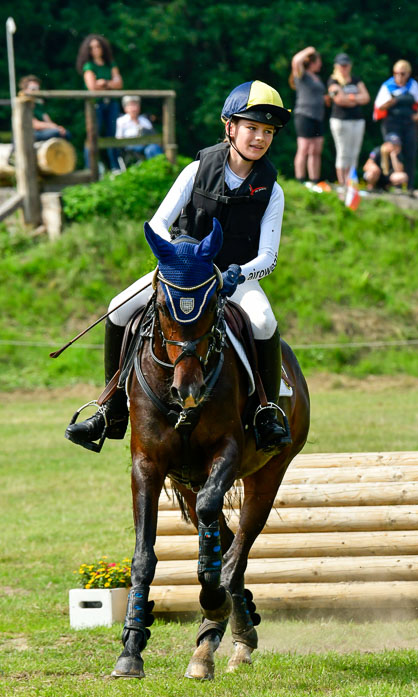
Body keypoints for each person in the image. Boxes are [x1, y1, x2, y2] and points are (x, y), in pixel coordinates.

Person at [65, 80, 292, 455]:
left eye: (267, 131)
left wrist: (238, 273)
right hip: (181, 271)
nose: (260, 138)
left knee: (265, 321)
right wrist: (175, 258)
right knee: (118, 308)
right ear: (229, 127)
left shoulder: (273, 189)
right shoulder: (196, 169)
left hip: (230, 277)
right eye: (251, 128)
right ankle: (110, 408)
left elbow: (268, 256)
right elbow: (157, 224)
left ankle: (265, 412)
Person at [373, 59, 418, 191]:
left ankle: (410, 185)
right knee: (393, 152)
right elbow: (379, 107)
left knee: (410, 153)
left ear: (408, 74)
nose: (399, 76)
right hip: (392, 124)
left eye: (403, 73)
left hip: (409, 124)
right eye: (397, 73)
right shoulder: (387, 86)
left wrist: (417, 116)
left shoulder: (413, 86)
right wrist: (394, 100)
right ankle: (392, 184)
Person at [76, 34, 123, 171]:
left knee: (112, 135)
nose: (95, 50)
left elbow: (119, 83)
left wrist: (104, 83)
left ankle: (115, 167)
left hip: (111, 102)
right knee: (93, 135)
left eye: (98, 46)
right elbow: (92, 86)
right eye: (92, 48)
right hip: (96, 104)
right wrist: (110, 84)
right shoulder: (89, 65)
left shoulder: (110, 63)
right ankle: (90, 167)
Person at [327, 52, 369, 189]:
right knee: (343, 152)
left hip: (357, 121)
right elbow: (339, 100)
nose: (344, 68)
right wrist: (356, 99)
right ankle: (342, 182)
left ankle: (351, 183)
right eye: (342, 65)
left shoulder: (356, 80)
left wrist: (349, 98)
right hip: (341, 120)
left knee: (354, 153)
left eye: (346, 65)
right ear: (337, 66)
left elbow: (366, 97)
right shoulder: (333, 81)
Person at [289, 46, 327, 187]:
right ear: (312, 62)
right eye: (318, 61)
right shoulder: (302, 75)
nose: (320, 64)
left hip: (318, 116)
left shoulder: (316, 78)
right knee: (304, 148)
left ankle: (314, 181)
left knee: (316, 149)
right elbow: (295, 60)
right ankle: (300, 180)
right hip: (304, 115)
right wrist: (309, 50)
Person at [19, 75, 71, 141]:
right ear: (25, 90)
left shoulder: (38, 105)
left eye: (38, 89)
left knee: (66, 134)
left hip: (40, 132)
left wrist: (57, 127)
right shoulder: (23, 105)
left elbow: (47, 120)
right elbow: (34, 124)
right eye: (33, 89)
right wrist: (55, 128)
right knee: (56, 133)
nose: (36, 92)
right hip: (28, 134)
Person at [115, 95, 163, 162]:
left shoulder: (144, 120)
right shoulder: (121, 121)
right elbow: (118, 138)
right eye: (131, 105)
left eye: (136, 105)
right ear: (125, 108)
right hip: (130, 146)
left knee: (152, 148)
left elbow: (153, 134)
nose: (134, 108)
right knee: (151, 148)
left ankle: (159, 165)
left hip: (147, 144)